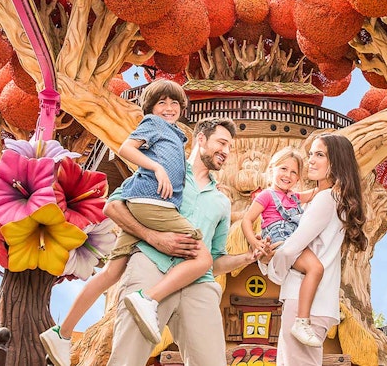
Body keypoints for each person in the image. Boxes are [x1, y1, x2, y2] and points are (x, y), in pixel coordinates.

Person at [40, 81, 215, 365]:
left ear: (182, 108)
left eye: (174, 103)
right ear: (150, 107)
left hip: (139, 204)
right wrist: (156, 167)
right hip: (153, 204)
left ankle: (63, 332)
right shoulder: (154, 124)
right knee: (202, 256)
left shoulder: (174, 135)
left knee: (111, 272)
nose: (168, 108)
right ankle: (149, 299)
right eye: (162, 103)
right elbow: (125, 147)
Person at [106, 116, 265, 366]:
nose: (225, 151)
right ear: (200, 139)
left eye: (229, 148)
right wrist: (153, 237)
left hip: (198, 285)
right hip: (151, 267)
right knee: (128, 358)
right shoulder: (161, 170)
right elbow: (114, 206)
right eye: (221, 143)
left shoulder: (222, 203)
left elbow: (214, 260)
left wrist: (247, 258)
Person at [260, 133, 367, 365]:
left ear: (336, 162)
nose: (311, 160)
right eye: (311, 154)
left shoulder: (326, 199)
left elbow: (291, 249)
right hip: (320, 300)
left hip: (303, 301)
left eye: (320, 155)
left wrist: (270, 268)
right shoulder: (335, 200)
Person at [241, 146, 324, 347]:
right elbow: (247, 220)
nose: (288, 175)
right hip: (279, 240)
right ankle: (302, 322)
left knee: (313, 269)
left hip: (294, 240)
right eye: (283, 169)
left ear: (298, 178)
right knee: (316, 268)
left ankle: (302, 316)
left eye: (294, 172)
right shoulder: (266, 196)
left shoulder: (295, 198)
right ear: (272, 170)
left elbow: (317, 191)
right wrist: (255, 243)